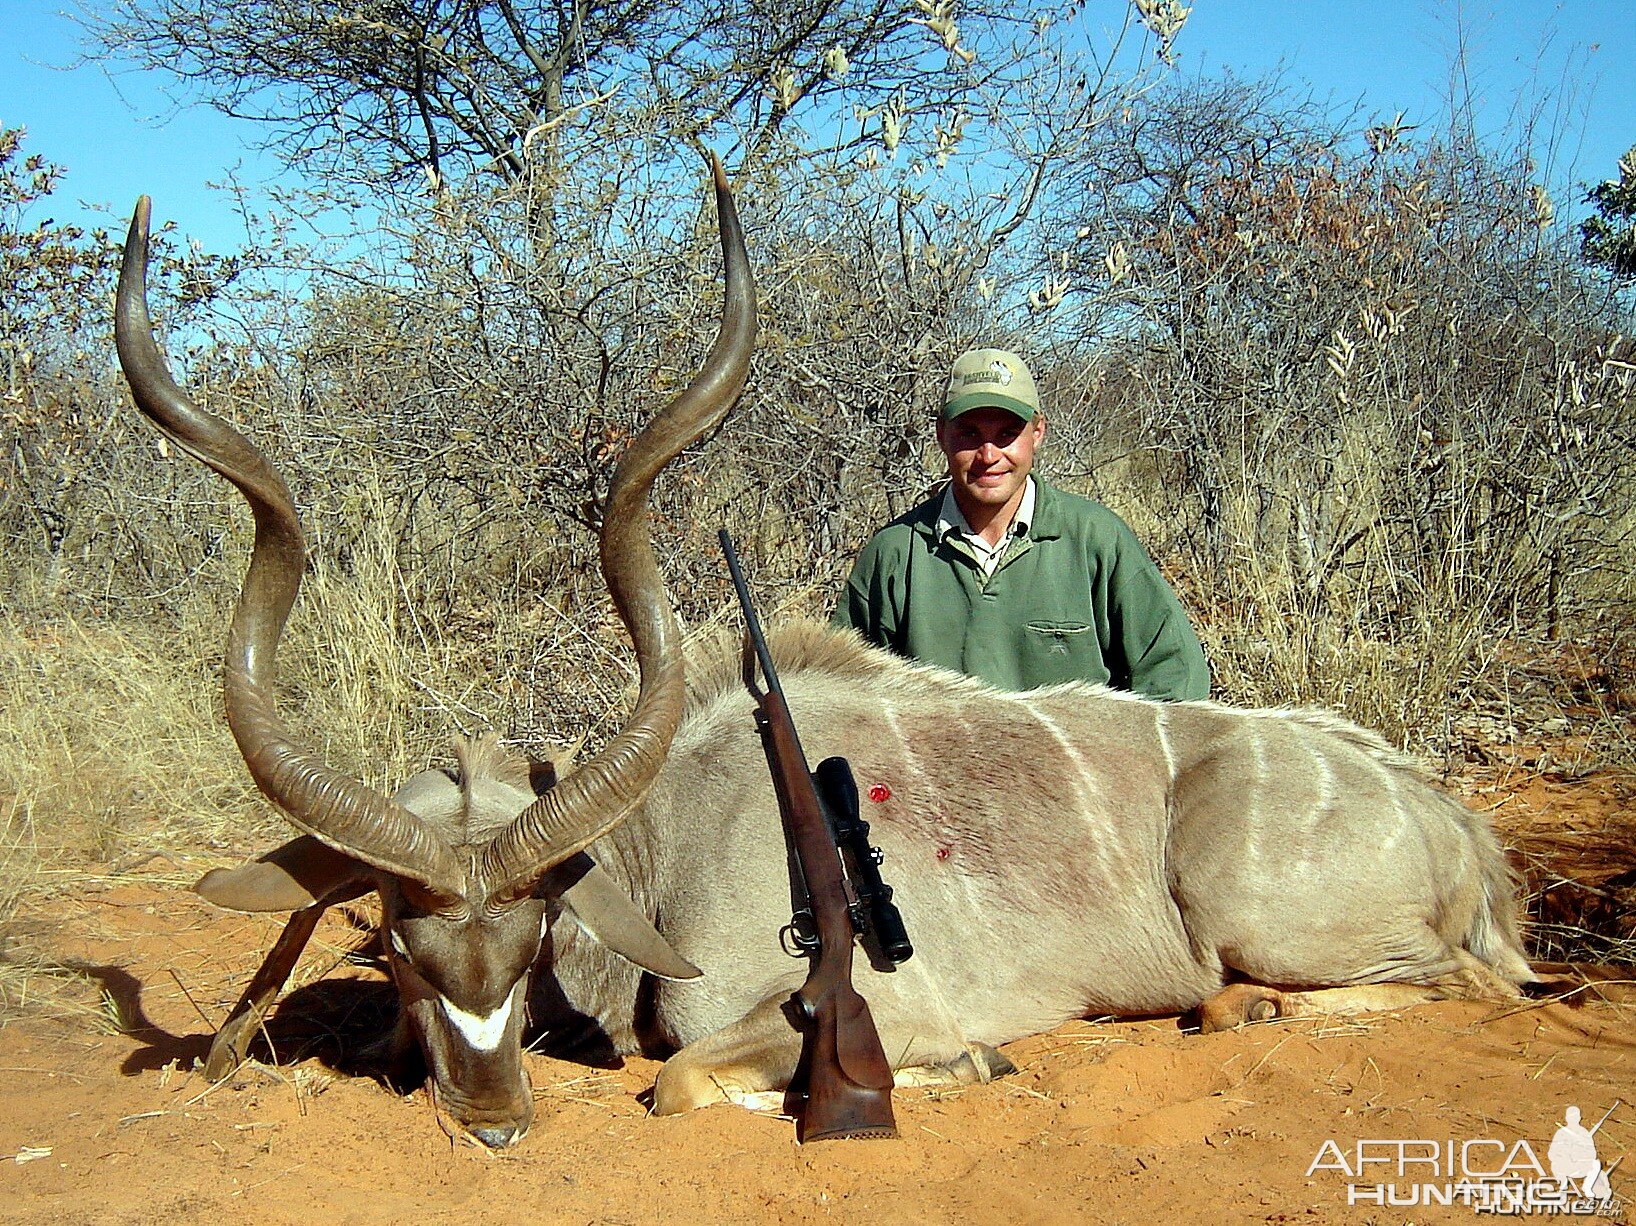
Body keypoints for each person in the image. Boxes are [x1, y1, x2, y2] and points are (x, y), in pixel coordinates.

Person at [831, 347, 1209, 700]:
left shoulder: (1096, 539)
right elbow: (844, 694)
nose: (989, 455)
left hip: (1074, 768)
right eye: (970, 434)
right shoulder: (896, 551)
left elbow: (1176, 679)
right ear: (941, 435)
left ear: (1038, 432)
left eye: (1007, 434)